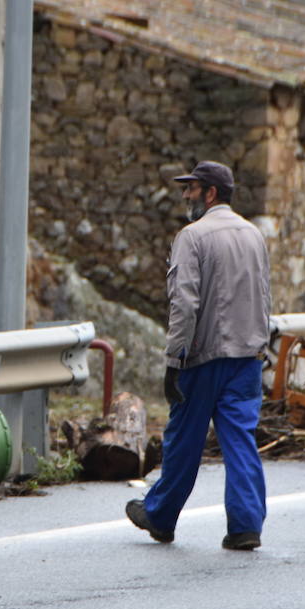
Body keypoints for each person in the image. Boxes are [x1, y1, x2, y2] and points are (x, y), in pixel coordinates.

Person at [126, 160, 273, 550]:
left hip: (203, 356)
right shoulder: (253, 234)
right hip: (247, 356)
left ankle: (159, 516)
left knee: (184, 440)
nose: (185, 195)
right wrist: (261, 346)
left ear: (210, 193)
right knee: (240, 440)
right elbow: (263, 295)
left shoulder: (192, 236)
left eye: (191, 188)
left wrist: (175, 357)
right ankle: (245, 526)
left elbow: (185, 303)